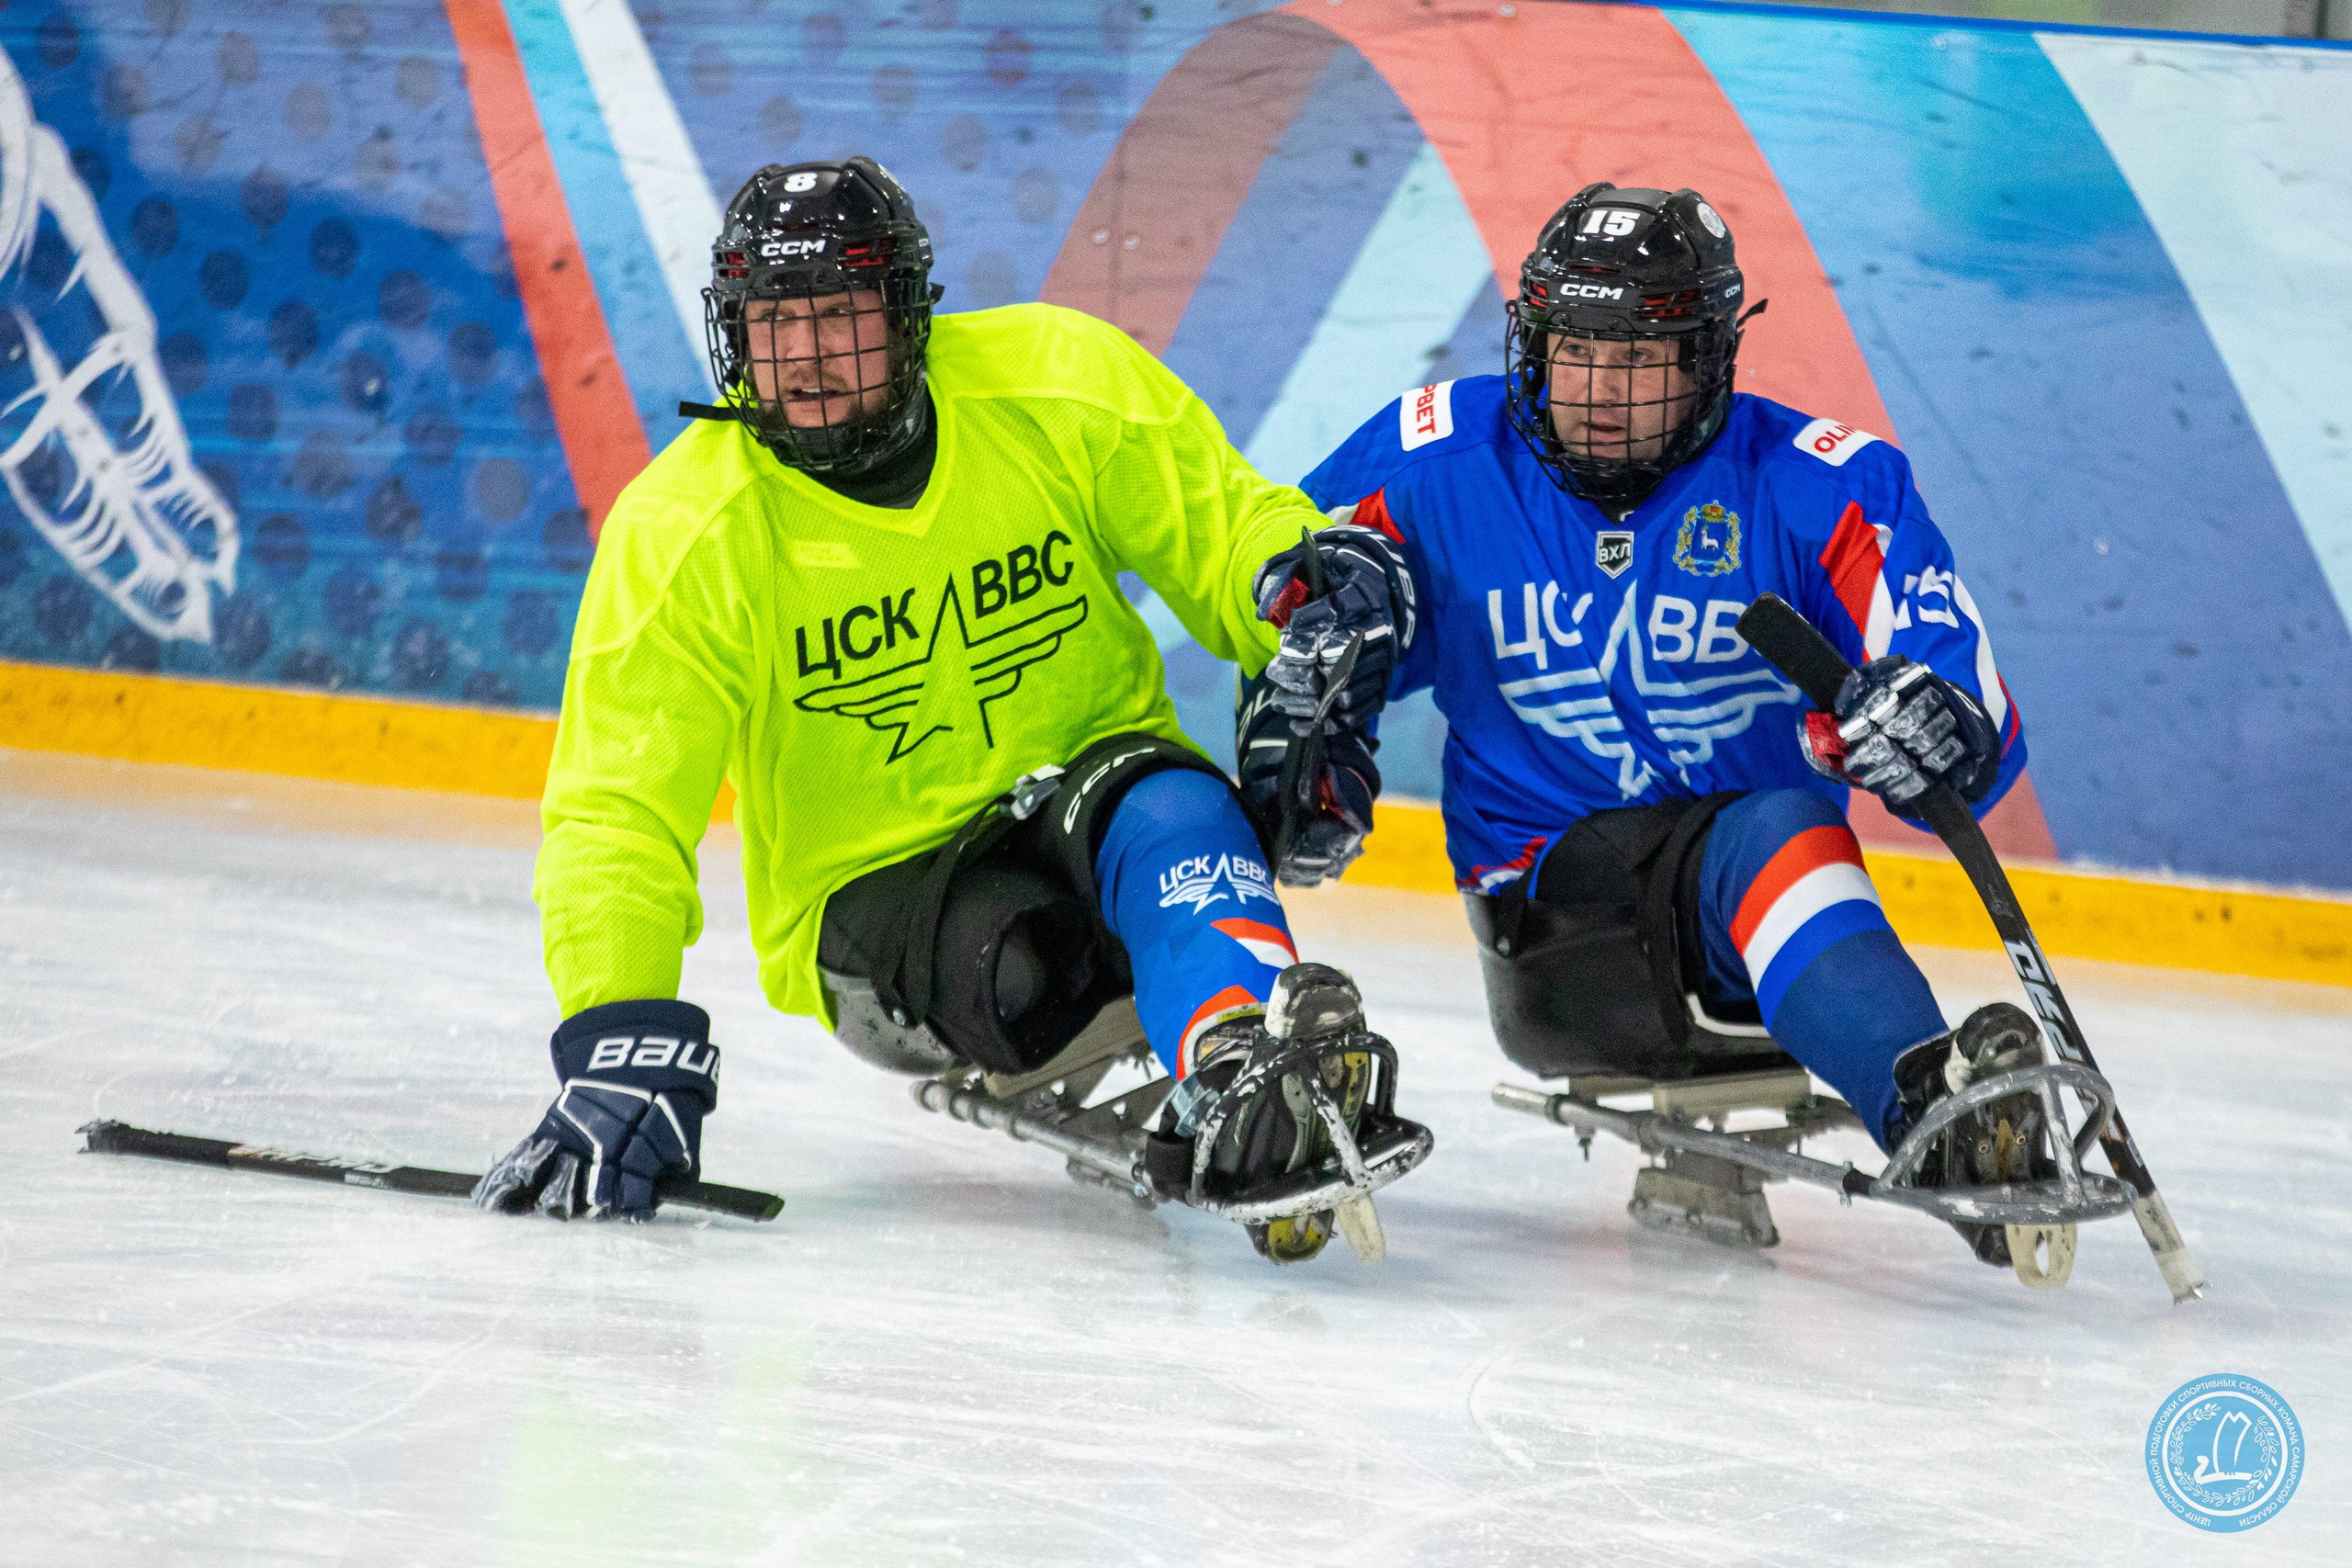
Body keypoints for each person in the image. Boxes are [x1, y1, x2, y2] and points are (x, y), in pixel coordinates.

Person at [470, 157, 1422, 1264]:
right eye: (775, 324)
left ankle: (1238, 1065)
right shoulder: (686, 530)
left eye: (841, 317)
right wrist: (617, 1032)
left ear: (910, 316)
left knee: (1176, 811)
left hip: (1096, 803)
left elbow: (1225, 526)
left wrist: (1297, 585)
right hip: (881, 893)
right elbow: (617, 812)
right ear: (734, 336)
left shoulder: (1055, 383)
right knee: (1028, 961)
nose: (807, 357)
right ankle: (1197, 1004)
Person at [1251, 181, 2064, 1269]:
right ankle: (1929, 1107)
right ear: (1531, 345)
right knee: (1776, 826)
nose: (1598, 389)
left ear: (1710, 359)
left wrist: (1931, 720)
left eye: (1638, 359)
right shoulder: (1432, 461)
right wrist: (1315, 680)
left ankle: (1947, 1117)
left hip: (1753, 945)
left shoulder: (1823, 485)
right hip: (1557, 929)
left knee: (1771, 830)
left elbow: (1972, 718)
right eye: (1574, 351)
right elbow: (1268, 589)